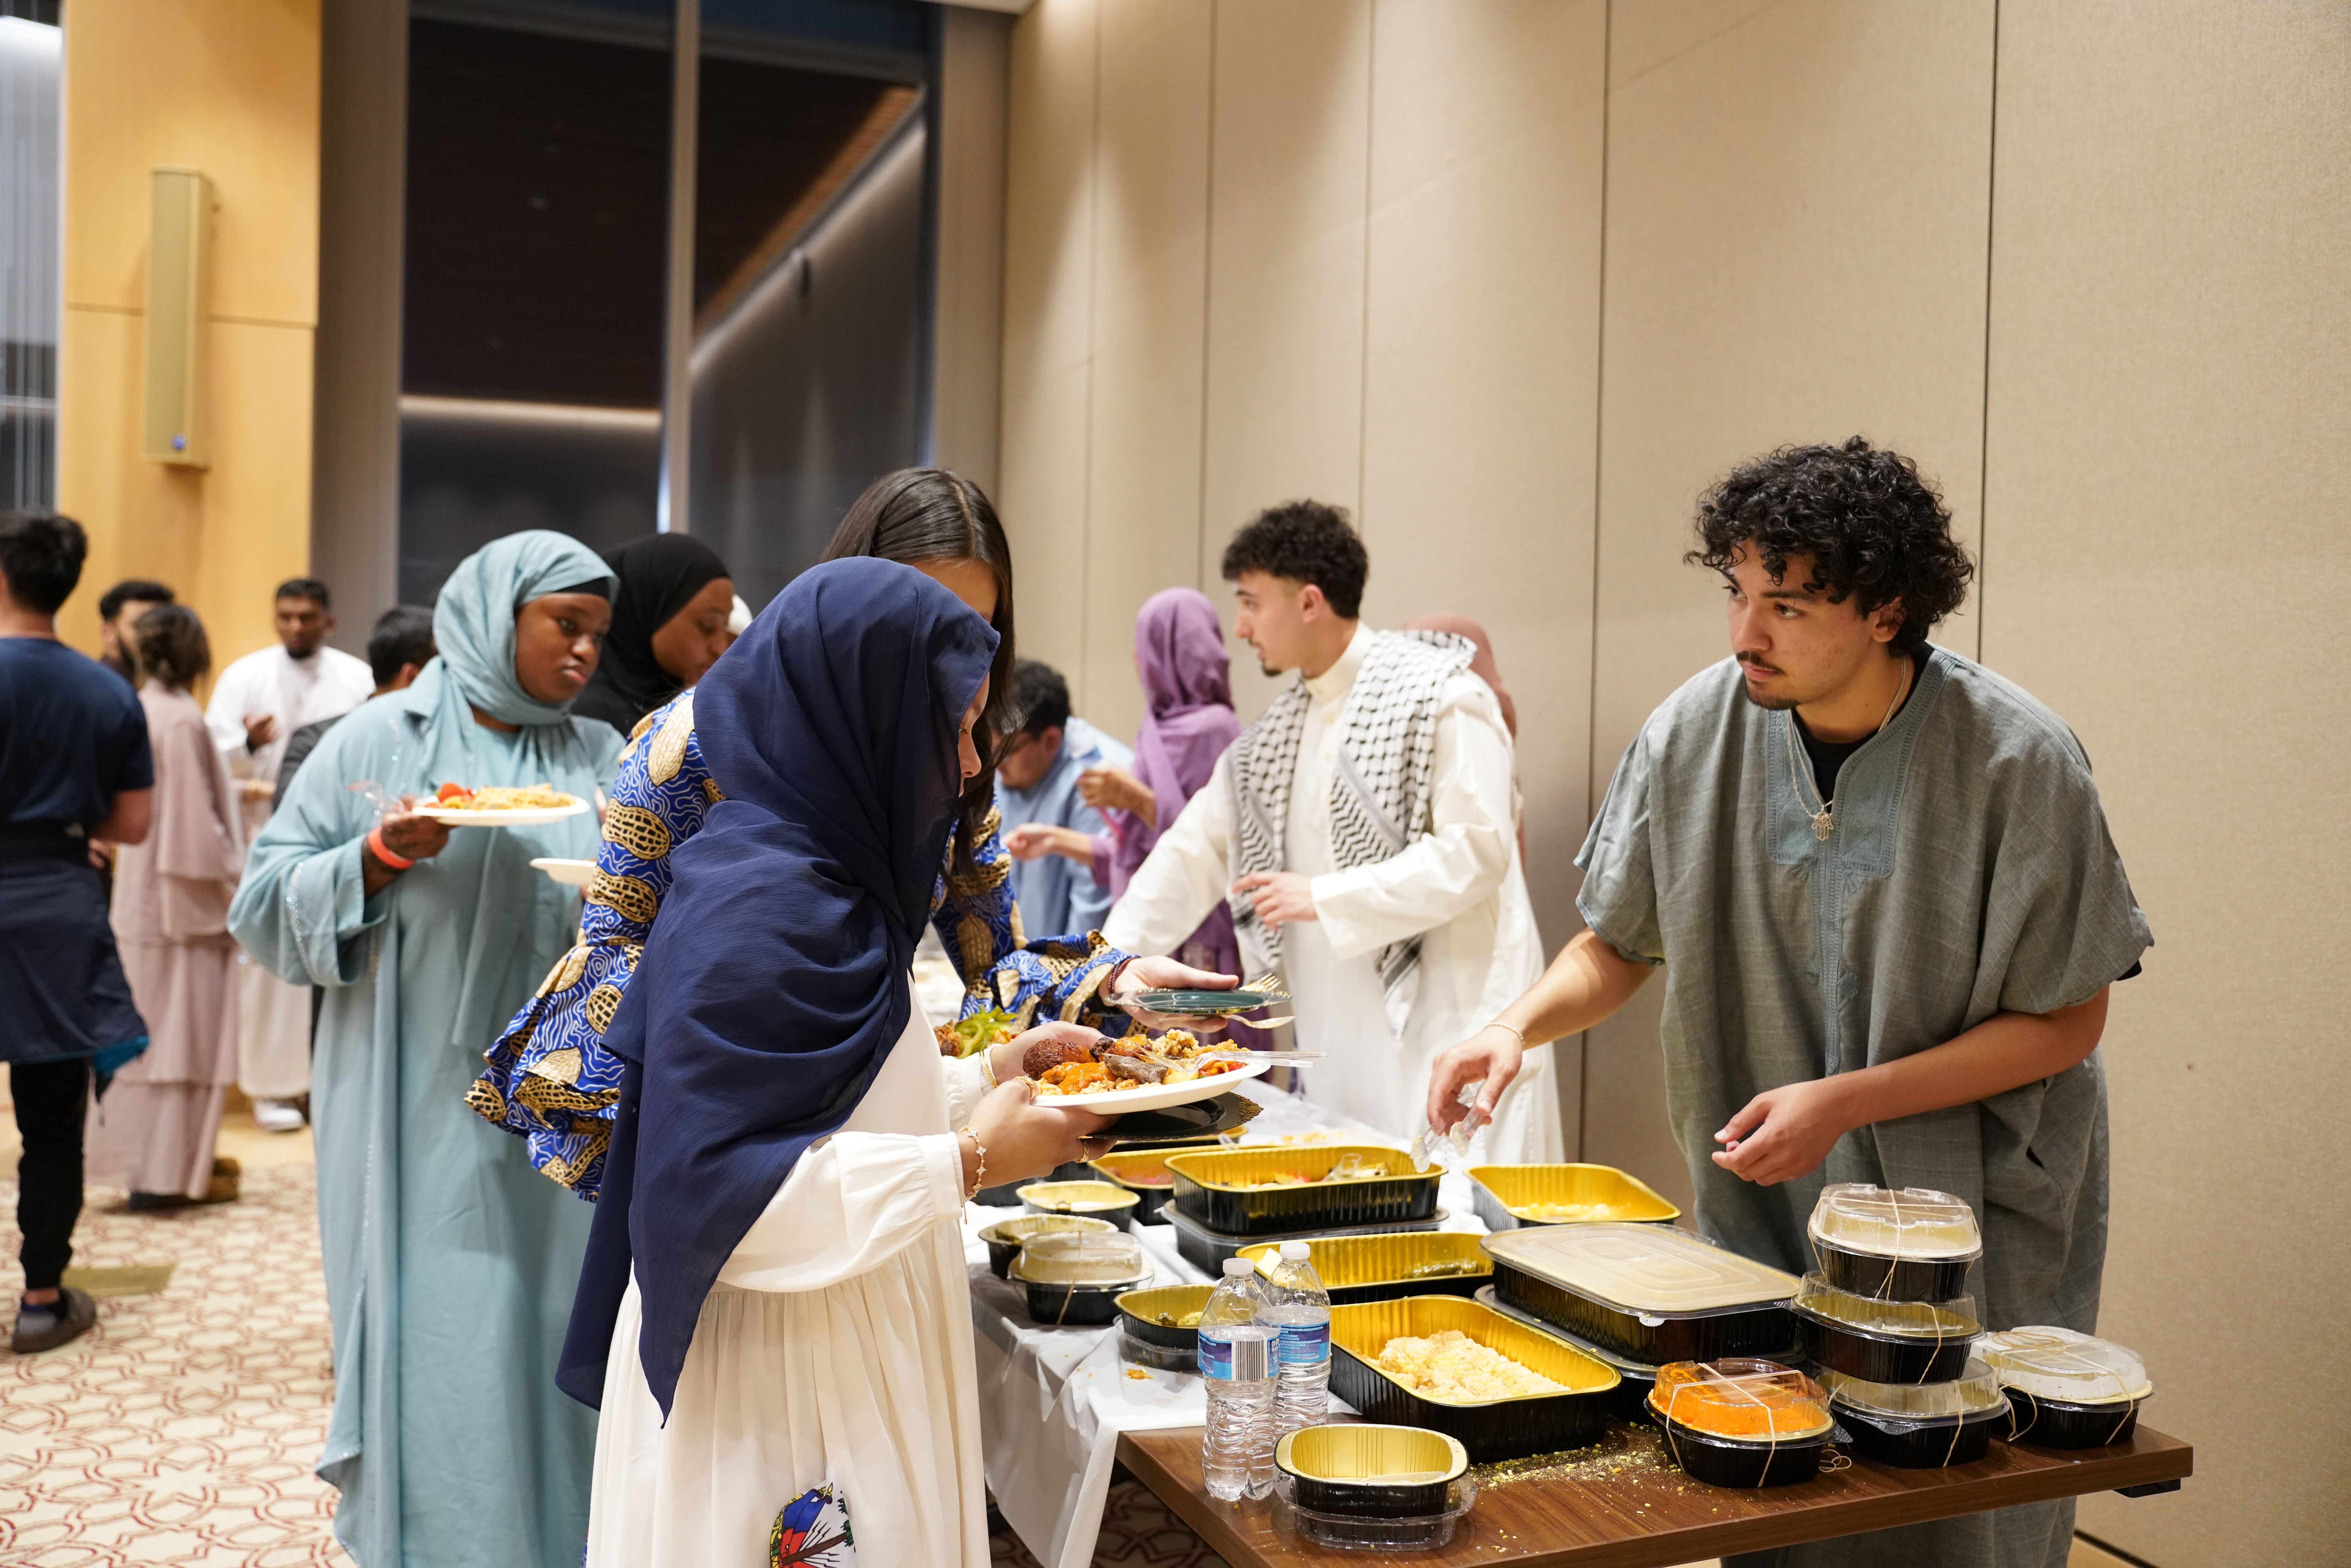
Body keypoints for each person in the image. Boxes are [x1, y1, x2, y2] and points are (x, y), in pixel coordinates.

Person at [1426, 439, 2149, 1568]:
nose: (1746, 636)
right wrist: (1511, 1026)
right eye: (1738, 594)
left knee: (1964, 1506)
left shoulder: (2018, 761)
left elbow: (2071, 1020)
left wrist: (1850, 1100)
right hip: (1770, 1207)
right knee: (1775, 1488)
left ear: (1887, 609)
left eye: (1791, 605)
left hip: (1970, 1222)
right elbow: (1619, 944)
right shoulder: (1693, 737)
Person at [567, 557, 1117, 1568]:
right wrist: (967, 1164)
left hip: (842, 1321)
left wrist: (988, 1082)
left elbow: (820, 1096)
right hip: (782, 1373)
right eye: (950, 729)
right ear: (859, 720)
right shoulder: (766, 907)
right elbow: (708, 1201)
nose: (965, 768)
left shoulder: (817, 879)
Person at [472, 469, 1234, 1198]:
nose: (938, 657)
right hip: (729, 1146)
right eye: (915, 612)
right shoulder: (694, 740)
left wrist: (1114, 981)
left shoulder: (958, 757)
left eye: (974, 630)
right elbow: (612, 960)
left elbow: (993, 970)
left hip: (878, 1151)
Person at [228, 532, 622, 1568]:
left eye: (596, 634)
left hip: (560, 1111)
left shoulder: (599, 755)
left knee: (554, 1331)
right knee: (444, 1329)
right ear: (497, 618)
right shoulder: (376, 742)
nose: (583, 653)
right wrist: (373, 857)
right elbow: (262, 905)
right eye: (564, 627)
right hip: (411, 1105)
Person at [1105, 502, 1562, 1158]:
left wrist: (1326, 896)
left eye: (1252, 602)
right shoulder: (1271, 741)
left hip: (1452, 1027)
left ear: (1310, 602)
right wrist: (1107, 966)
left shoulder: (1444, 695)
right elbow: (1188, 855)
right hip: (1338, 1051)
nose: (1240, 627)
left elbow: (1477, 850)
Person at [0, 511, 154, 1355]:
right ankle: (41, 1298)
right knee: (49, 1125)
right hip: (59, 906)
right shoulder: (106, 690)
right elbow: (132, 825)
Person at [85, 605, 244, 1208]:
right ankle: (165, 1174)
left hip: (145, 899)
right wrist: (236, 880)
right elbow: (194, 833)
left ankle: (157, 1168)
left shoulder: (140, 707)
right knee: (179, 1041)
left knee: (151, 1041)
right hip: (183, 911)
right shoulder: (178, 719)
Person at [205, 577, 374, 1132]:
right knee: (270, 967)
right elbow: (209, 761)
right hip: (266, 838)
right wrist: (250, 744)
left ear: (328, 620)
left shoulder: (356, 678)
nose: (296, 627)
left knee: (338, 957)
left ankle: (323, 1082)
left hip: (342, 842)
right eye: (286, 617)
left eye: (307, 617)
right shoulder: (245, 676)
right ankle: (271, 1088)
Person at [1027, 588, 1242, 976]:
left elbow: (1209, 846)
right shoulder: (1155, 730)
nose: (1134, 657)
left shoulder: (1215, 729)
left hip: (1200, 938)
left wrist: (1134, 797)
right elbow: (1141, 857)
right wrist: (1055, 839)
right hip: (1153, 932)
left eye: (1144, 643)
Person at [997, 658, 1133, 935]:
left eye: (1006, 753)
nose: (995, 763)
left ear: (1050, 741)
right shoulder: (1008, 764)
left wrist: (1066, 974)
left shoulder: (1099, 777)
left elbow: (1092, 904)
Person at [273, 605, 439, 813]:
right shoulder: (314, 741)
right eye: (444, 676)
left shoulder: (440, 741)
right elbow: (289, 825)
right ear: (413, 677)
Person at [568, 533, 735, 736]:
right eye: (707, 626)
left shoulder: (690, 711)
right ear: (647, 609)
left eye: (725, 627)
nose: (721, 648)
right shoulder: (582, 724)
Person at [95, 577, 174, 685]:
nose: (153, 634)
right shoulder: (97, 688)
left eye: (160, 625)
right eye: (140, 625)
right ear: (108, 633)